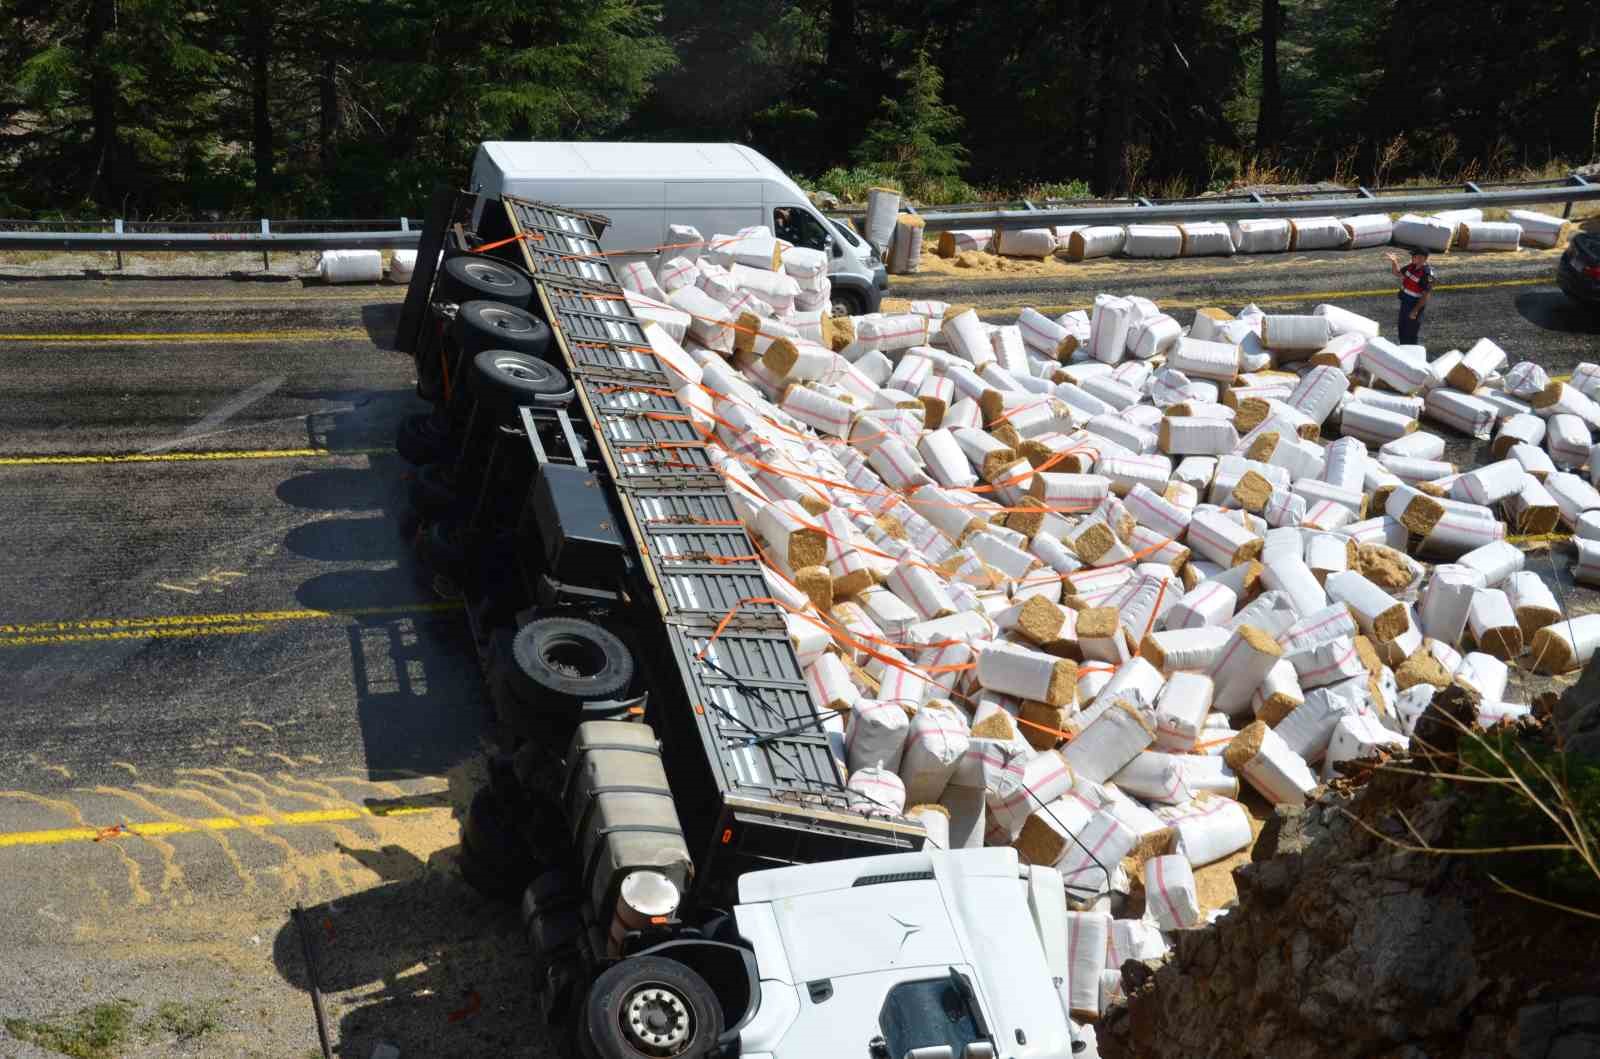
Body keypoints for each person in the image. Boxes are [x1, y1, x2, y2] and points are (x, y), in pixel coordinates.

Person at [1385, 247, 1436, 345]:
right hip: (1405, 302)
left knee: (1411, 332)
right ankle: (1403, 348)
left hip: (1414, 304)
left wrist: (1415, 310)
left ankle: (1411, 353)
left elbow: (1426, 295)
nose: (1412, 257)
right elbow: (1397, 273)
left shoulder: (1427, 274)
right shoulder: (1411, 266)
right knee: (1402, 328)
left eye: (1414, 256)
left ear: (1422, 258)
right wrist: (1394, 261)